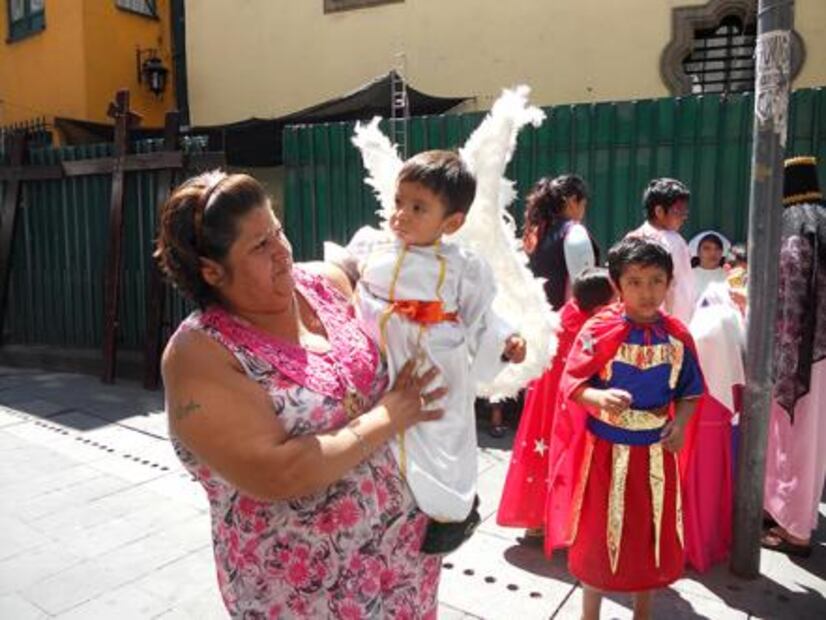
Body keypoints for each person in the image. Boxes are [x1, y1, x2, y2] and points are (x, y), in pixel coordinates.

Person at [156, 171, 446, 618]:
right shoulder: (199, 354)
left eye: (278, 231)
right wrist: (389, 415)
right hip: (305, 597)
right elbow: (278, 473)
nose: (282, 253)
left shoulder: (324, 284)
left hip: (404, 573)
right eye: (259, 246)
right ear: (212, 271)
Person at [327, 150, 526, 552]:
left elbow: (482, 317)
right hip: (381, 352)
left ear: (451, 222)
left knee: (442, 432)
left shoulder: (462, 266)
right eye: (399, 201)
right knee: (383, 430)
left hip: (436, 359)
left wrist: (506, 342)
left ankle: (452, 510)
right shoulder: (371, 245)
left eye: (418, 208)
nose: (401, 214)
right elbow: (337, 277)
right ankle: (390, 501)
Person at [546, 237, 704, 620]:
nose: (646, 292)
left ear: (669, 282)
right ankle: (590, 614)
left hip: (655, 458)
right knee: (598, 537)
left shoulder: (678, 336)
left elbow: (691, 391)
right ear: (617, 285)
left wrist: (680, 424)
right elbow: (572, 382)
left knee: (647, 536)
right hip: (603, 458)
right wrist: (596, 399)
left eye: (655, 280)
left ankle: (643, 613)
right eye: (634, 281)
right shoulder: (598, 329)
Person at [497, 268, 615, 542]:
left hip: (543, 402)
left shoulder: (562, 316)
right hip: (571, 407)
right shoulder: (593, 330)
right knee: (570, 456)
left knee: (540, 456)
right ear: (599, 306)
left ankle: (535, 521)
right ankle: (567, 523)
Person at [499, 174, 599, 439]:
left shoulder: (536, 233)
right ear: (572, 201)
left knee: (543, 402)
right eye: (583, 203)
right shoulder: (574, 233)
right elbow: (585, 290)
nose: (583, 210)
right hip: (570, 332)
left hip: (542, 327)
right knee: (568, 406)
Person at [763, 156, 826, 558]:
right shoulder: (821, 222)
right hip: (821, 352)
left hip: (799, 355)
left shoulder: (794, 232)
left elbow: (787, 303)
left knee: (794, 437)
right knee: (812, 440)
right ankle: (786, 513)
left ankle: (797, 530)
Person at [683, 282, 746, 572]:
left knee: (694, 487)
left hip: (696, 427)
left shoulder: (699, 334)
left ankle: (690, 543)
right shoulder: (731, 332)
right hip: (717, 429)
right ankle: (708, 542)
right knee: (713, 488)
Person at [628, 178, 696, 325]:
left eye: (685, 211)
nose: (684, 217)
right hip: (665, 328)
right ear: (659, 211)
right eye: (678, 211)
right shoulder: (673, 241)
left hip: (633, 324)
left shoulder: (631, 238)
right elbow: (682, 292)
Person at [689, 230, 730, 300]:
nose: (713, 252)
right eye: (706, 248)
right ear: (697, 252)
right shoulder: (688, 275)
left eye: (717, 248)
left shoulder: (730, 276)